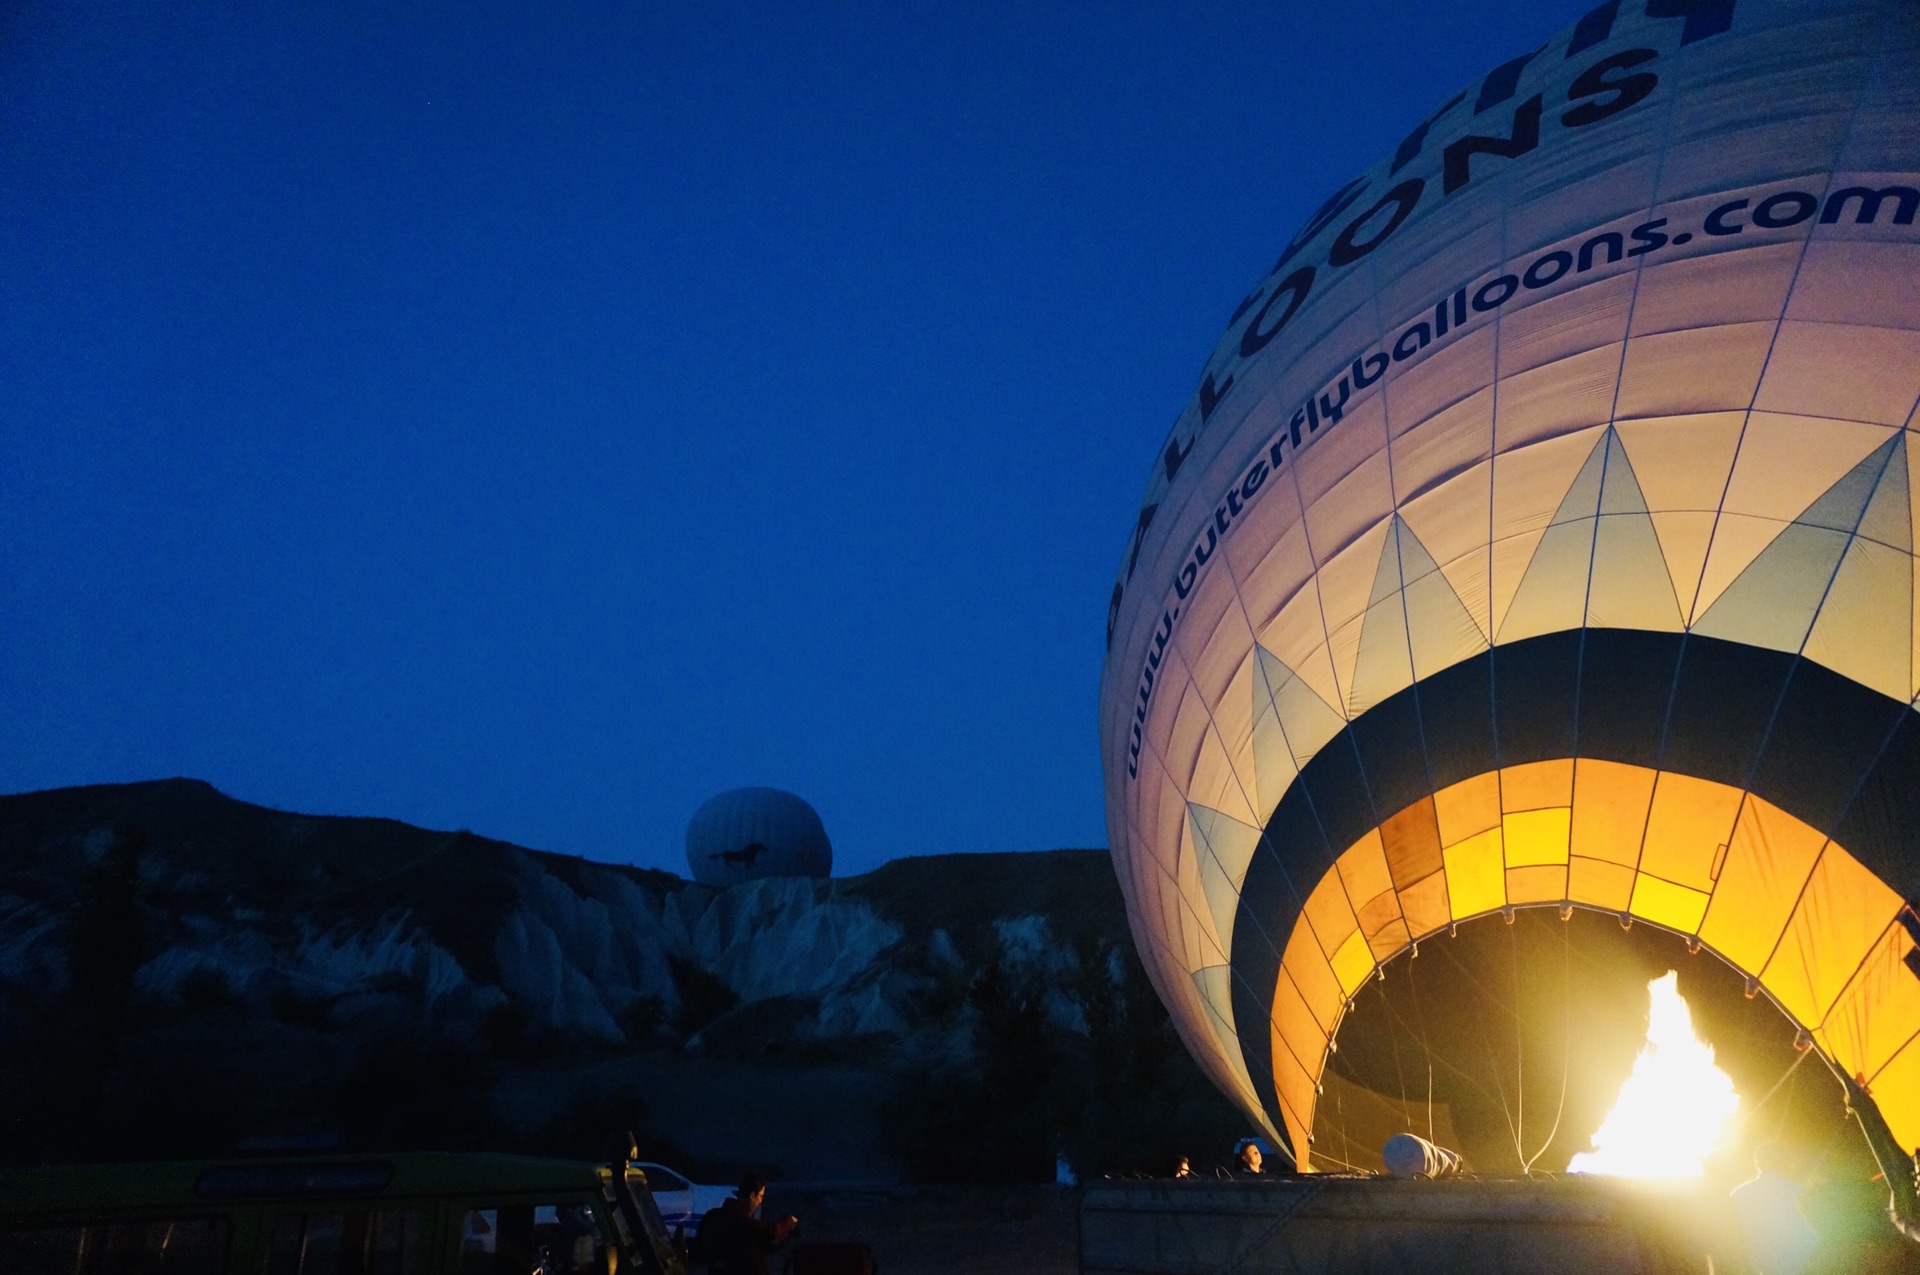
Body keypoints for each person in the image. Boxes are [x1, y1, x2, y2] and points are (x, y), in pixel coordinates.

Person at [1729, 1142, 1821, 1275]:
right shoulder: (1800, 1191)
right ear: (1783, 1161)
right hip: (1807, 1264)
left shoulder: (1739, 1195)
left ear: (1757, 1163)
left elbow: (1736, 1240)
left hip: (1766, 1267)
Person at [696, 1174, 796, 1275]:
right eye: (760, 1196)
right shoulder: (741, 1220)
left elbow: (761, 1244)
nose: (760, 1201)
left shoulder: (716, 1215)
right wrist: (789, 1222)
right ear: (752, 1195)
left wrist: (784, 1240)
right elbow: (771, 1230)